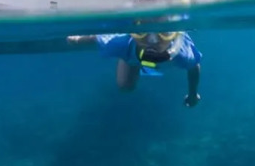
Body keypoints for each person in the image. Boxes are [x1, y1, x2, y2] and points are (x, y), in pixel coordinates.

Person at [67, 29, 202, 108]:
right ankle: (129, 59)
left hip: (137, 52)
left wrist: (192, 94)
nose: (152, 41)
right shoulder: (122, 43)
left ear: (173, 35)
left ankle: (135, 57)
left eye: (164, 33)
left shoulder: (182, 53)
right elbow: (94, 39)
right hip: (132, 53)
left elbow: (194, 67)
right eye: (142, 33)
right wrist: (76, 40)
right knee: (126, 86)